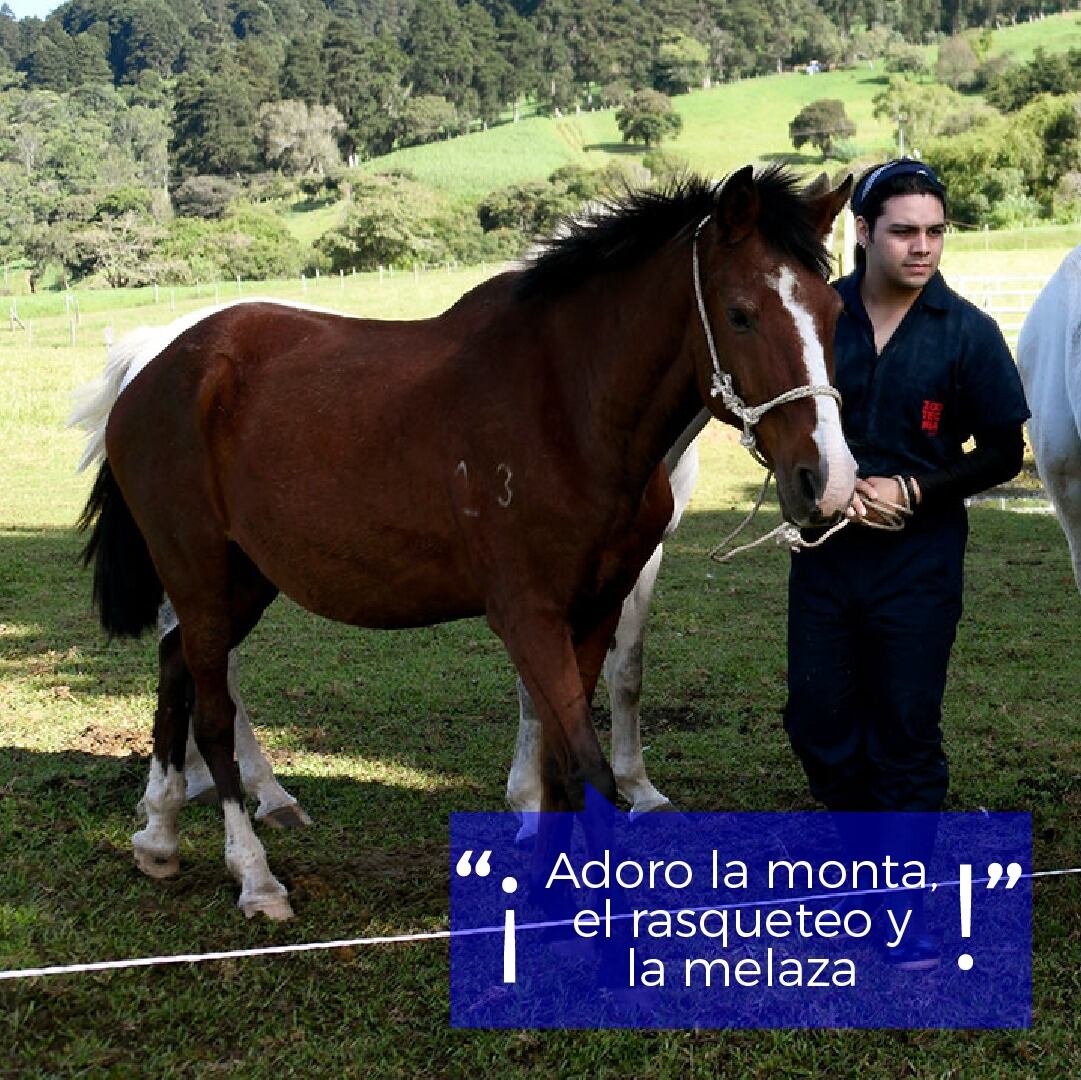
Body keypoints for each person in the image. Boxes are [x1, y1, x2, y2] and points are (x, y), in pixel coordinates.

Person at [783, 159, 1030, 969]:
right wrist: (816, 487)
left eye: (933, 232)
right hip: (825, 557)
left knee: (904, 730)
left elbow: (1000, 452)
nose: (921, 248)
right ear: (861, 231)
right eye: (903, 232)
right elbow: (780, 421)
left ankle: (897, 904)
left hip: (918, 563)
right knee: (818, 722)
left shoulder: (964, 331)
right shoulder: (818, 318)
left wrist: (917, 487)